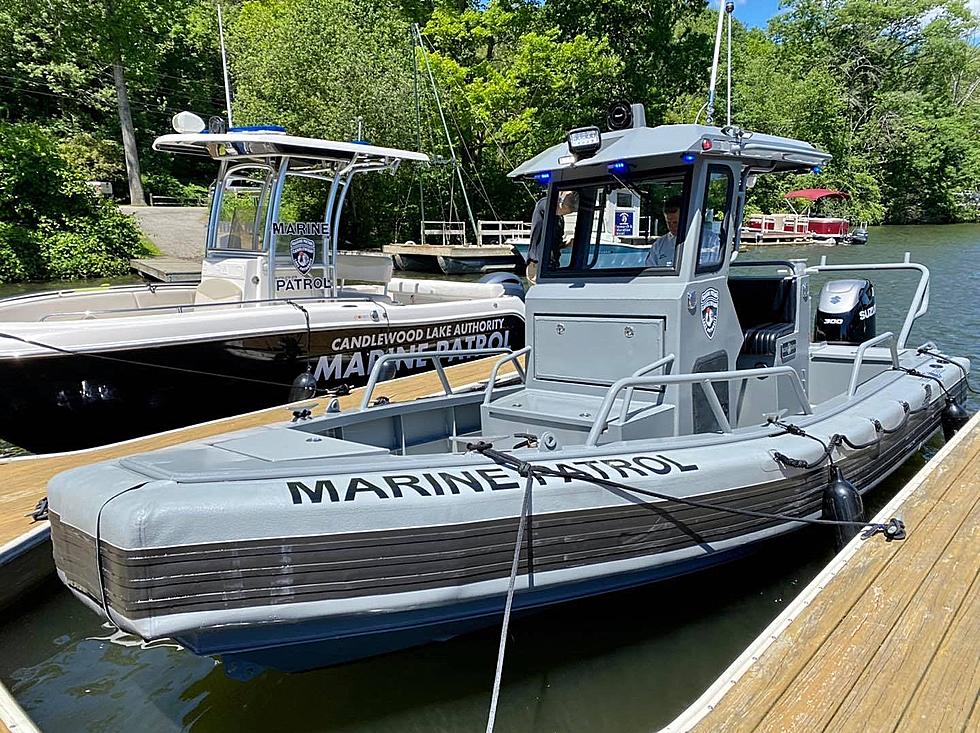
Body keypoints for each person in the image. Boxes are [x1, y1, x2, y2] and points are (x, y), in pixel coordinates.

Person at [526, 190, 578, 283]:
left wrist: (567, 244)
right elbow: (563, 209)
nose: (573, 196)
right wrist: (567, 197)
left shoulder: (560, 219)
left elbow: (554, 244)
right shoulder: (544, 203)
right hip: (538, 266)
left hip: (552, 265)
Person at [645, 195, 682, 268]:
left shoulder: (708, 241)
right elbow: (650, 271)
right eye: (668, 222)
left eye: (675, 222)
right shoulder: (658, 245)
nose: (671, 226)